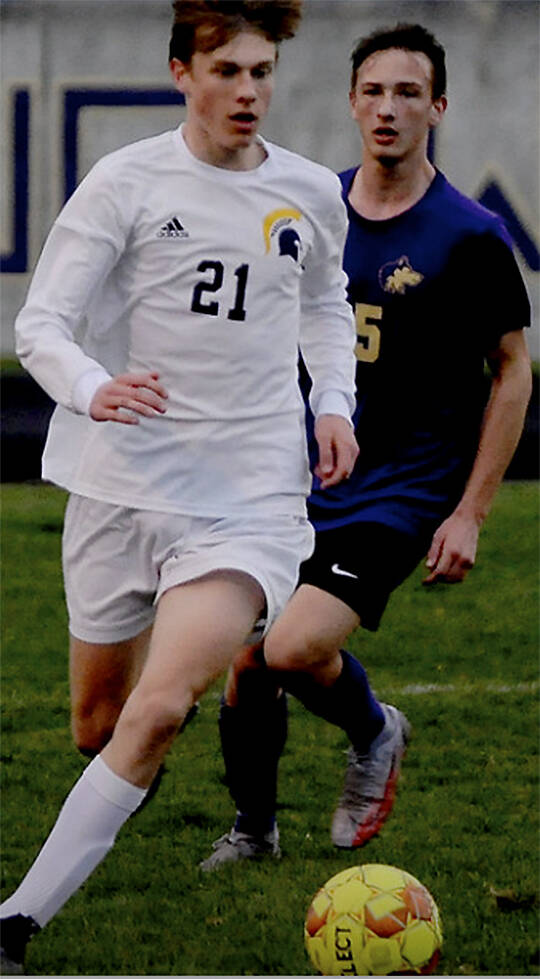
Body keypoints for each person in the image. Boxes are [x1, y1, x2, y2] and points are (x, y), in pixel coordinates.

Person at [0, 1, 360, 972]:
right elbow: (41, 325)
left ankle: (14, 924)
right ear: (181, 74)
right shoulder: (125, 183)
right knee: (99, 727)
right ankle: (137, 748)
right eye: (226, 71)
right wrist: (95, 388)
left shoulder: (308, 192)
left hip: (249, 500)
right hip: (119, 486)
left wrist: (333, 402)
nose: (248, 91)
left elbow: (327, 303)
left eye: (262, 71)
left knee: (156, 707)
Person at [199, 22, 532, 872]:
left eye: (408, 93)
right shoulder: (313, 209)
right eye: (374, 91)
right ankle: (254, 832)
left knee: (291, 646)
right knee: (246, 660)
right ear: (351, 102)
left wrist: (470, 513)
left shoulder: (470, 235)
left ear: (438, 108)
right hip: (299, 475)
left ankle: (376, 729)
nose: (389, 109)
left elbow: (512, 370)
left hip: (403, 488)